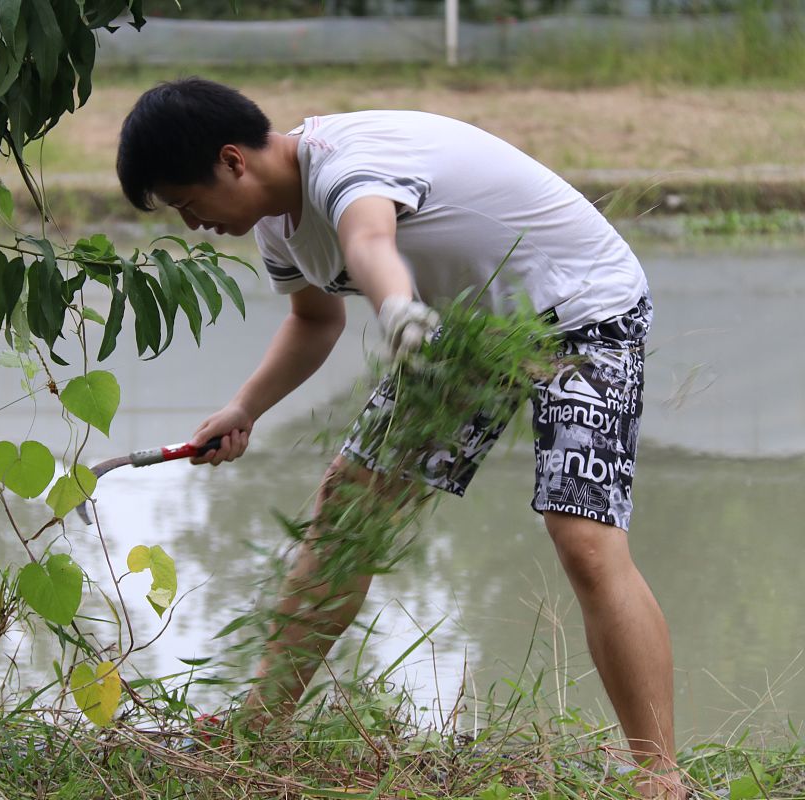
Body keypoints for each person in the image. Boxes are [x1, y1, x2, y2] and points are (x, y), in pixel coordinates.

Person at [116, 77, 681, 798]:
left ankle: (660, 776)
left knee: (585, 542)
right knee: (348, 510)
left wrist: (397, 310)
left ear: (232, 160)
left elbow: (369, 237)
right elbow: (314, 321)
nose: (193, 223)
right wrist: (244, 408)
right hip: (467, 326)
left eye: (188, 203)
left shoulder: (344, 165)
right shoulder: (275, 225)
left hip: (583, 313)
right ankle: (259, 725)